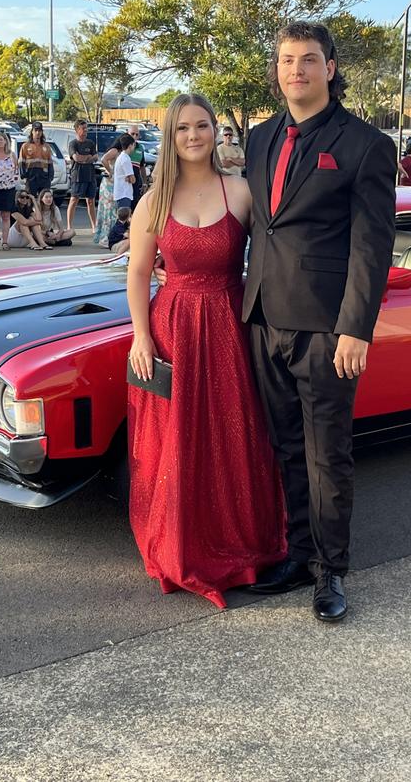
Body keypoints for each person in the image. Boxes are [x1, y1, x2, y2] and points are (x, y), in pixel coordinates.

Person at [241, 21, 396, 622]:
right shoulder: (257, 139)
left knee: (326, 454)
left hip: (327, 329)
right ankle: (298, 554)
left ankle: (332, 572)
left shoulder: (365, 145)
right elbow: (254, 224)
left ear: (330, 68)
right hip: (262, 318)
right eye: (286, 60)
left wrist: (356, 328)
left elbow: (372, 245)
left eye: (308, 60)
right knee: (284, 448)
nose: (296, 70)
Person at [127, 93, 287, 610]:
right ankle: (184, 545)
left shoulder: (239, 191)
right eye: (182, 129)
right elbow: (136, 272)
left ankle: (242, 543)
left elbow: (278, 249)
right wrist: (141, 337)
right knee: (178, 439)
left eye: (202, 126)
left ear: (216, 131)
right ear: (170, 138)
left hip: (229, 324)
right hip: (171, 326)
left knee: (233, 433)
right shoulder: (153, 201)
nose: (193, 136)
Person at [67, 119, 97, 230]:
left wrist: (86, 158)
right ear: (77, 130)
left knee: (90, 201)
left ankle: (94, 225)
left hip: (90, 175)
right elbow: (76, 158)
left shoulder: (90, 143)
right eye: (83, 128)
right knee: (74, 199)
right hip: (78, 175)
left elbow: (95, 157)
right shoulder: (73, 144)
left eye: (86, 128)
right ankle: (70, 226)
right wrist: (87, 157)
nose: (85, 131)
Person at [94, 140, 121, 246]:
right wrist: (110, 171)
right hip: (109, 184)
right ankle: (104, 237)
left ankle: (109, 236)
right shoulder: (115, 150)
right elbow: (104, 159)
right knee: (108, 211)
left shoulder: (122, 153)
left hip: (114, 184)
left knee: (113, 210)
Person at [19, 122, 54, 198]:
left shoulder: (46, 146)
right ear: (32, 131)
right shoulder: (25, 146)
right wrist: (24, 176)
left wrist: (50, 177)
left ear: (42, 132)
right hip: (31, 177)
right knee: (30, 199)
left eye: (40, 131)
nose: (38, 133)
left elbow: (50, 163)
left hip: (44, 177)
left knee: (44, 200)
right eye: (36, 130)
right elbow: (22, 162)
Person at [126, 125, 148, 208]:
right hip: (124, 182)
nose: (134, 136)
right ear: (127, 133)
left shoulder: (140, 148)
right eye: (132, 134)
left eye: (137, 134)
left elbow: (142, 166)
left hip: (136, 181)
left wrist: (145, 183)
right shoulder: (122, 147)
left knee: (134, 205)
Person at [113, 134, 136, 211]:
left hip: (120, 193)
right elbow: (132, 179)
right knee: (123, 218)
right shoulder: (126, 159)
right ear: (130, 146)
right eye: (133, 145)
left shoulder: (121, 157)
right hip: (124, 193)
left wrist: (128, 178)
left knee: (121, 217)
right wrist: (130, 178)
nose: (134, 147)